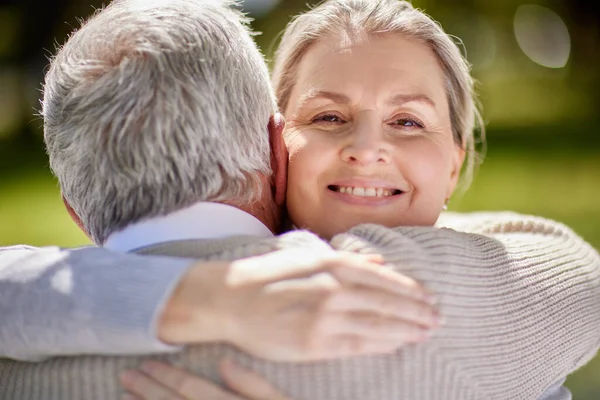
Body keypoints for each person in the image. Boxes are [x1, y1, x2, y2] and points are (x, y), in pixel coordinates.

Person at [0, 0, 598, 399]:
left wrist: (180, 296)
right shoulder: (429, 298)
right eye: (329, 115)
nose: (367, 149)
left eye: (409, 122)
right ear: (275, 146)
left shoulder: (24, 362)